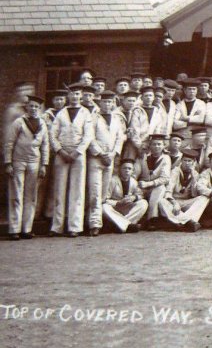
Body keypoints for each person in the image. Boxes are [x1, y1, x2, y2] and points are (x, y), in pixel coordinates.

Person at [49, 82, 94, 237]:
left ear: (81, 96)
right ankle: (57, 226)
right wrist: (60, 150)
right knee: (59, 189)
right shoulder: (61, 113)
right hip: (62, 154)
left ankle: (74, 227)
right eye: (72, 94)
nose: (74, 97)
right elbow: (53, 135)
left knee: (77, 190)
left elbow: (88, 135)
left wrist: (77, 151)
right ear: (67, 96)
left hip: (78, 155)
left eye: (77, 94)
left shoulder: (86, 113)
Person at [4, 95, 49, 239]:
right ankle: (14, 229)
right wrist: (8, 163)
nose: (34, 109)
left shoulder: (42, 123)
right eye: (31, 106)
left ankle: (26, 229)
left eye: (37, 107)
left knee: (31, 196)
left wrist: (44, 165)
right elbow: (9, 143)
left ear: (39, 109)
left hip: (34, 163)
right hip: (18, 161)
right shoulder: (19, 122)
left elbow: (45, 146)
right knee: (16, 195)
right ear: (26, 107)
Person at [85, 91, 125, 236]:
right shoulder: (93, 118)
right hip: (96, 159)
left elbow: (119, 138)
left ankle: (102, 221)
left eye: (110, 102)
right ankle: (94, 224)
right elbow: (89, 138)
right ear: (100, 103)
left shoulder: (116, 119)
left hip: (110, 158)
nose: (107, 105)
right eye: (104, 102)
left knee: (104, 192)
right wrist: (101, 153)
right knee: (95, 191)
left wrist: (113, 154)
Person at [158, 148, 205, 232]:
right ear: (181, 161)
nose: (187, 163)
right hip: (175, 201)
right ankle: (189, 222)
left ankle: (181, 221)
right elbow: (168, 191)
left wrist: (194, 179)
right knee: (162, 201)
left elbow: (194, 195)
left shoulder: (195, 174)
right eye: (185, 160)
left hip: (187, 202)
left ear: (194, 163)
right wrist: (174, 203)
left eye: (189, 161)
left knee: (203, 198)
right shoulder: (175, 171)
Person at [101, 158, 148, 233]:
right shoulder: (113, 180)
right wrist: (118, 202)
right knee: (104, 207)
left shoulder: (133, 182)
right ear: (120, 169)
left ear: (132, 171)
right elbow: (105, 199)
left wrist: (134, 197)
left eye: (129, 169)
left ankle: (119, 225)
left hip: (126, 209)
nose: (127, 170)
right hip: (115, 208)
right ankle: (128, 226)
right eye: (124, 168)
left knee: (143, 203)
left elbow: (140, 195)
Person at [137, 133, 172, 230]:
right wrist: (139, 183)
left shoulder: (166, 158)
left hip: (155, 187)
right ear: (150, 145)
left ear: (163, 145)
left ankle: (151, 219)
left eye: (159, 144)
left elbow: (165, 178)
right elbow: (135, 173)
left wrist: (149, 184)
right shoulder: (143, 157)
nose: (156, 146)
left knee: (160, 188)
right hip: (142, 187)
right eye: (154, 144)